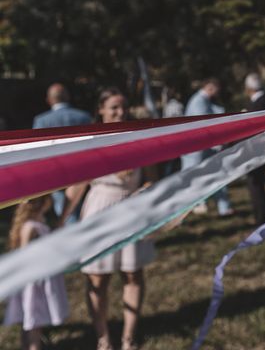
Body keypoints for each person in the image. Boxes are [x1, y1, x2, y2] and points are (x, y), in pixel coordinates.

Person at [64, 88, 156, 350]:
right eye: (114, 107)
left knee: (133, 273)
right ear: (101, 110)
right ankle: (102, 336)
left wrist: (147, 189)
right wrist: (61, 219)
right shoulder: (90, 141)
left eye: (124, 106)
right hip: (100, 211)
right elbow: (76, 188)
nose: (120, 112)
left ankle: (129, 336)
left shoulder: (141, 138)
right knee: (97, 277)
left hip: (133, 210)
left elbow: (152, 175)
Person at [4, 195, 69, 350]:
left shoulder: (39, 223)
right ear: (43, 203)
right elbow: (25, 254)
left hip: (40, 278)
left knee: (32, 321)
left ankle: (28, 346)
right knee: (34, 320)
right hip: (34, 282)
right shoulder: (30, 227)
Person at [32, 83, 92, 221]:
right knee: (80, 208)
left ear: (49, 100)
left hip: (55, 174)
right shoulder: (84, 117)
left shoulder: (41, 121)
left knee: (64, 213)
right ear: (68, 97)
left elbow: (36, 151)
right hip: (81, 171)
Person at [181, 78, 233, 216]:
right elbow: (205, 124)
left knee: (213, 174)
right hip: (196, 149)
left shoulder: (202, 101)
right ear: (211, 87)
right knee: (193, 177)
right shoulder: (199, 101)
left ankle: (223, 206)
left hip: (203, 148)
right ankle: (194, 205)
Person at [244, 73, 265, 224]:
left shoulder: (257, 104)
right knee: (258, 184)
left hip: (257, 151)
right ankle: (262, 215)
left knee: (256, 184)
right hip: (262, 150)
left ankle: (261, 218)